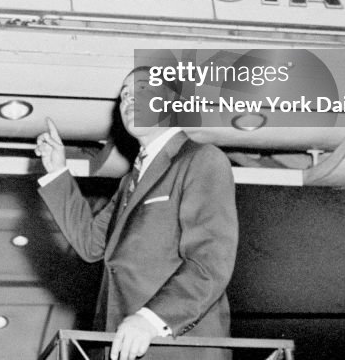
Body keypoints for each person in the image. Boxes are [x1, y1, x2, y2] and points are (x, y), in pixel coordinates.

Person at [35, 66, 238, 360]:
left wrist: (151, 319)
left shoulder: (201, 159)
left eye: (141, 90)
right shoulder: (131, 181)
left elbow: (210, 260)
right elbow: (92, 245)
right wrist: (57, 172)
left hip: (174, 345)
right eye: (125, 95)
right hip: (125, 346)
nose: (129, 100)